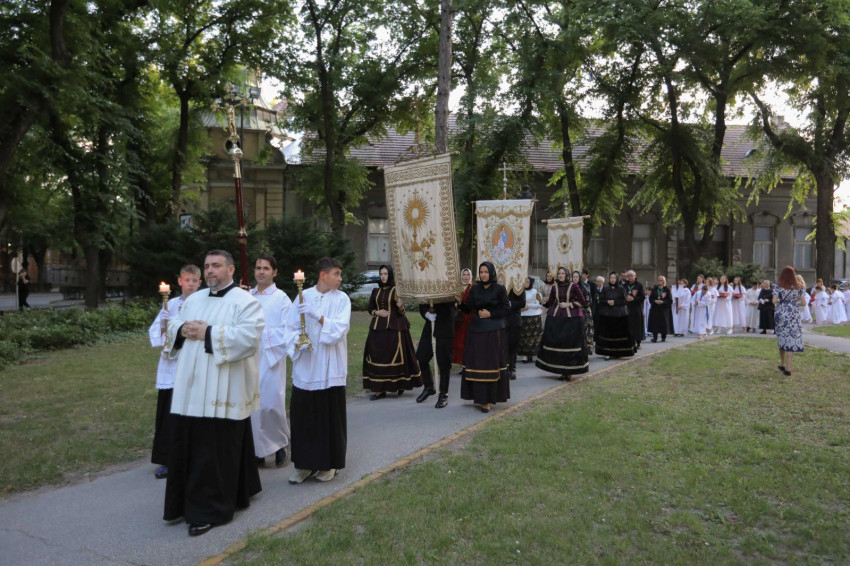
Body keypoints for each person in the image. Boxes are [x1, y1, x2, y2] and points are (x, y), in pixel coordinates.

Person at [163, 250, 264, 537]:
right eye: (207, 266)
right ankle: (199, 498)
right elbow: (173, 323)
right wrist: (182, 328)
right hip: (191, 387)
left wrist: (208, 333)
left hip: (224, 387)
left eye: (216, 266)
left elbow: (249, 338)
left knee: (215, 449)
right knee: (192, 445)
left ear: (231, 270)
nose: (210, 271)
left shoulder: (245, 301)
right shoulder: (193, 300)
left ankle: (208, 509)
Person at [284, 257, 351, 485]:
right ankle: (304, 464)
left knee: (328, 417)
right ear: (323, 275)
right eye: (336, 274)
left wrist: (318, 316)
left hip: (330, 367)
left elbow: (339, 329)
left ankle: (329, 463)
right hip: (307, 365)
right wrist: (298, 342)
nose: (340, 278)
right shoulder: (303, 296)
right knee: (305, 417)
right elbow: (290, 327)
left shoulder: (342, 299)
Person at [148, 264, 201, 479]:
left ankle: (192, 456)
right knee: (169, 412)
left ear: (200, 283)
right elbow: (158, 336)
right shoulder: (170, 304)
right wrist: (163, 321)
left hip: (193, 363)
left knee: (191, 412)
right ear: (180, 281)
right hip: (171, 365)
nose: (190, 284)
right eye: (187, 280)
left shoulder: (203, 304)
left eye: (194, 280)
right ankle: (168, 458)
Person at [248, 254, 293, 468]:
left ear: (274, 272)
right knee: (252, 405)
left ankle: (279, 444)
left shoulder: (281, 298)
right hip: (248, 356)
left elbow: (288, 330)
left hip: (270, 355)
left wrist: (263, 336)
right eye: (258, 268)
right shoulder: (247, 296)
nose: (261, 272)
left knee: (270, 403)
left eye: (266, 268)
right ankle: (258, 449)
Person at [362, 265, 421, 399]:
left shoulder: (396, 290)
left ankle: (399, 384)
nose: (383, 276)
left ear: (390, 275)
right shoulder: (375, 291)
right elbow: (370, 308)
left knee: (394, 358)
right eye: (381, 274)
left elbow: (402, 312)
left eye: (385, 274)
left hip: (394, 328)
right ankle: (379, 389)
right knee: (377, 356)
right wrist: (377, 312)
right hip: (377, 328)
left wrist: (401, 306)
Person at [459, 262, 510, 413]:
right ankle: (479, 397)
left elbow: (506, 308)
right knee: (477, 364)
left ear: (491, 273)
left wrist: (490, 314)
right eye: (481, 272)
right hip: (476, 331)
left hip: (493, 332)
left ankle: (487, 400)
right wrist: (459, 302)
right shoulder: (475, 288)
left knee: (489, 365)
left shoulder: (499, 289)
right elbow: (468, 308)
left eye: (486, 272)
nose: (483, 275)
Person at [536, 267, 589, 380]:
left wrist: (569, 304)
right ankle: (561, 370)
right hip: (556, 318)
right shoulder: (554, 287)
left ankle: (569, 371)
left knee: (569, 344)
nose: (560, 275)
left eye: (563, 273)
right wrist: (540, 301)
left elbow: (583, 302)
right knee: (559, 344)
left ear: (567, 275)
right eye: (559, 273)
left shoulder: (574, 286)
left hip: (571, 319)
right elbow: (550, 302)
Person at [416, 300, 456, 408]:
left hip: (445, 324)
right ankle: (429, 387)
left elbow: (452, 302)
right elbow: (422, 301)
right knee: (422, 356)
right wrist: (426, 313)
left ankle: (443, 394)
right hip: (430, 324)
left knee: (444, 362)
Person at [595, 272, 635, 359]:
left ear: (616, 279)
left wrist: (615, 302)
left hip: (619, 315)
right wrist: (607, 301)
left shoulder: (621, 288)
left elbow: (625, 301)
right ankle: (607, 352)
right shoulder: (605, 288)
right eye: (611, 278)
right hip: (607, 315)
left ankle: (618, 352)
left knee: (618, 335)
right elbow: (601, 300)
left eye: (614, 278)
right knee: (608, 335)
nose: (612, 279)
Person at [774, 266, 805, 376]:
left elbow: (774, 301)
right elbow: (804, 303)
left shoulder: (778, 286)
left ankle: (782, 364)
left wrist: (782, 301)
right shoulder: (799, 287)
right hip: (794, 314)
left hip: (782, 313)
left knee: (782, 337)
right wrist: (793, 303)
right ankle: (789, 368)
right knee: (791, 339)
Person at [518, 277, 543, 363]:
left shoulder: (535, 292)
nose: (526, 284)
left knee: (533, 336)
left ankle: (531, 354)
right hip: (523, 316)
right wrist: (521, 307)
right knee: (523, 336)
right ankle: (525, 355)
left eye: (528, 282)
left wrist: (528, 306)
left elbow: (539, 304)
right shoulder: (520, 291)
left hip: (534, 316)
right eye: (525, 282)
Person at [452, 268, 474, 365]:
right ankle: (461, 363)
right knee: (459, 341)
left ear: (471, 276)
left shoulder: (473, 287)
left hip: (470, 317)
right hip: (459, 318)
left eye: (468, 275)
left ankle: (469, 363)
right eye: (464, 275)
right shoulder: (458, 288)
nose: (466, 277)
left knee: (469, 341)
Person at [505, 284, 526, 380]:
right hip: (499, 319)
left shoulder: (518, 285)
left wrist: (508, 303)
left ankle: (511, 369)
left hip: (514, 320)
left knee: (512, 346)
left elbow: (522, 303)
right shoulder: (499, 283)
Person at [647, 275, 674, 342]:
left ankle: (663, 337)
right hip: (655, 308)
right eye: (658, 280)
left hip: (663, 309)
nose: (659, 281)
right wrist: (655, 301)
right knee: (655, 323)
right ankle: (655, 337)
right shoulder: (655, 288)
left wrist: (663, 302)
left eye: (661, 280)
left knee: (663, 323)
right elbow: (651, 298)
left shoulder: (666, 289)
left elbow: (669, 299)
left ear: (664, 281)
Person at [623, 270, 645, 350]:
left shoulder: (639, 285)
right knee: (628, 325)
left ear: (635, 276)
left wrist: (633, 298)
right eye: (628, 276)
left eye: (632, 275)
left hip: (636, 308)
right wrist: (625, 298)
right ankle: (629, 341)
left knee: (637, 325)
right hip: (627, 308)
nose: (630, 277)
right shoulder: (624, 285)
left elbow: (642, 297)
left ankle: (638, 341)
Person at [576, 270, 594, 353]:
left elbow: (589, 299)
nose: (575, 278)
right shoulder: (570, 287)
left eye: (577, 277)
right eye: (573, 277)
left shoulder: (585, 286)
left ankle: (588, 347)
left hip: (585, 311)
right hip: (574, 311)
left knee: (587, 330)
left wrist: (581, 304)